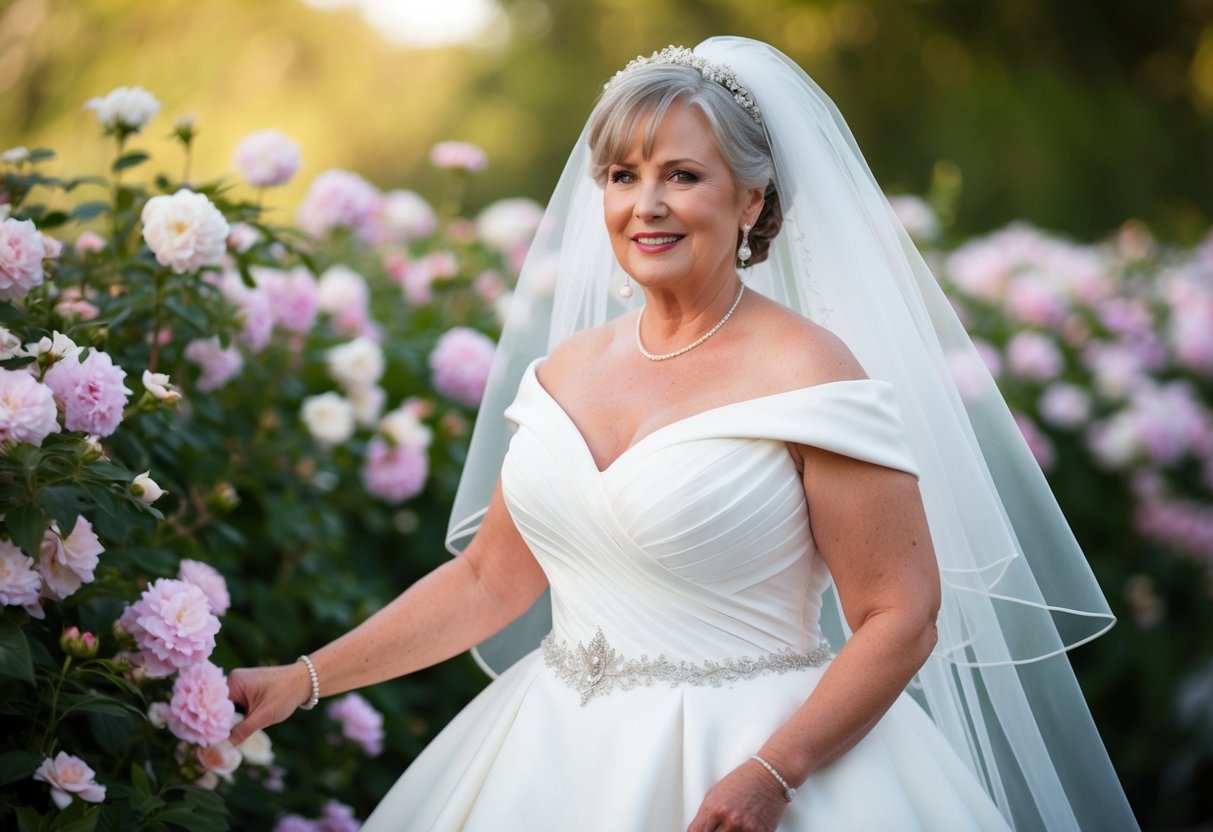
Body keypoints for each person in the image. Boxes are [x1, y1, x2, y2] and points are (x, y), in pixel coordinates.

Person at [230, 38, 1139, 831]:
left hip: (756, 765)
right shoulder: (562, 371)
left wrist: (772, 775)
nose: (646, 204)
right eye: (623, 177)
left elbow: (900, 616)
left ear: (749, 201)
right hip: (548, 758)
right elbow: (486, 578)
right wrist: (302, 679)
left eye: (681, 175)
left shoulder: (809, 373)